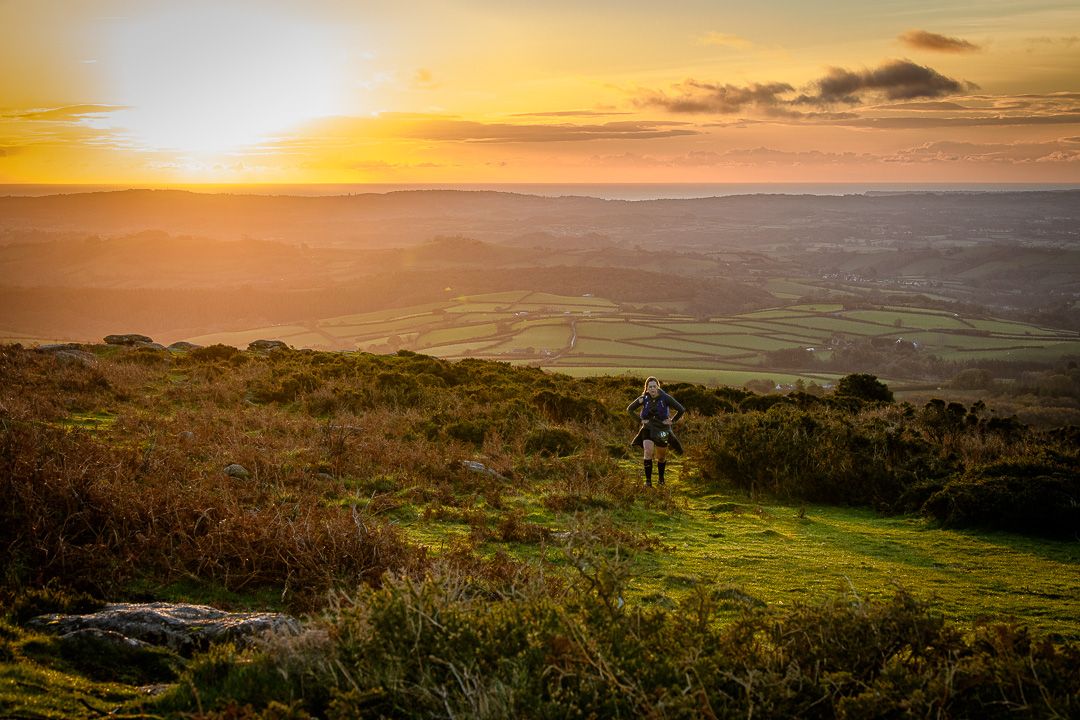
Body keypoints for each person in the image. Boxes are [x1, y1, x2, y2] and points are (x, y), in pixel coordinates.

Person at [627, 376, 685, 486]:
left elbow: (681, 409)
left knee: (661, 457)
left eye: (654, 386)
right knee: (648, 452)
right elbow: (629, 409)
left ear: (657, 387)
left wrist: (672, 421)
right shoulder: (643, 398)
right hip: (647, 428)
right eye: (650, 387)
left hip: (662, 430)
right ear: (647, 388)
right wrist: (640, 420)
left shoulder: (666, 398)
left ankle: (661, 479)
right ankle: (648, 482)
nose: (652, 389)